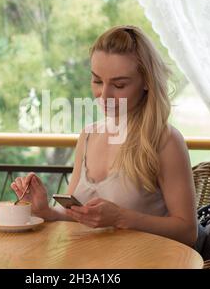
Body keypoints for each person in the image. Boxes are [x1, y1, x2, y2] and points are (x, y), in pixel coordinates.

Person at [11, 25, 198, 247]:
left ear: (147, 82)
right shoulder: (89, 135)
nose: (104, 95)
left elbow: (187, 231)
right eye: (97, 81)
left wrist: (121, 218)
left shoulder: (165, 141)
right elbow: (74, 215)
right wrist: (46, 211)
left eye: (119, 85)